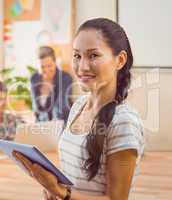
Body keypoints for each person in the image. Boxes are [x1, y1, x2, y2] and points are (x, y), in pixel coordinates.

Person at [13, 18, 145, 200]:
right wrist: (54, 190)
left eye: (93, 56)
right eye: (77, 56)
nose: (82, 67)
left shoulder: (124, 121)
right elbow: (78, 181)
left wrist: (61, 192)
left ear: (120, 60)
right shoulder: (78, 106)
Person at [30, 46, 73, 123]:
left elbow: (61, 107)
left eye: (49, 66)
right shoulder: (34, 78)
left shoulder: (65, 78)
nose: (46, 70)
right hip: (41, 126)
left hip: (61, 124)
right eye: (42, 67)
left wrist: (50, 126)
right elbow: (36, 108)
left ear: (55, 63)